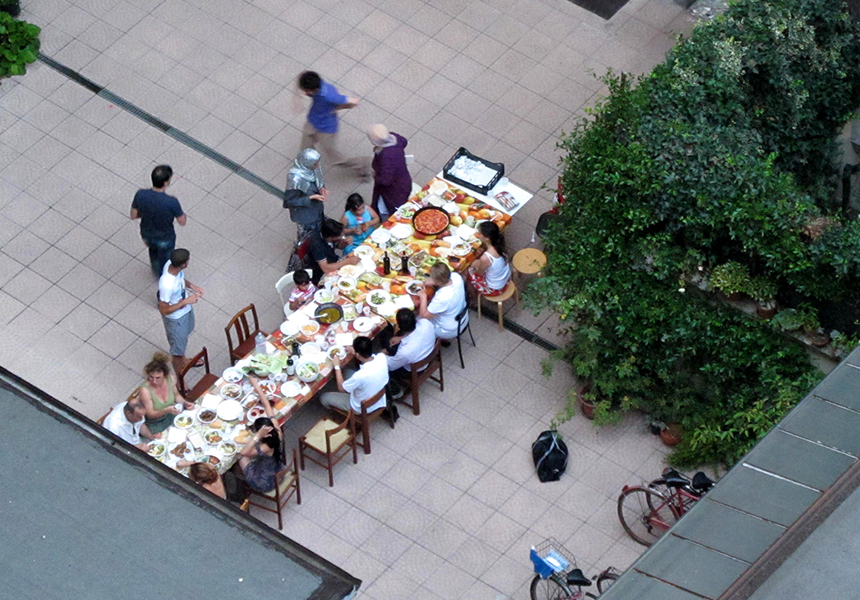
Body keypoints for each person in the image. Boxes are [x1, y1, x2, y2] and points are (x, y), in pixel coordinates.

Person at [297, 70, 369, 180]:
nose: (304, 93)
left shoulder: (328, 95)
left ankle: (360, 164)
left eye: (306, 91)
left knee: (334, 158)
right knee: (305, 148)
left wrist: (343, 105)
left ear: (313, 90)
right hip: (312, 121)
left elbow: (351, 101)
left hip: (326, 129)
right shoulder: (317, 84)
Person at [130, 165, 186, 277]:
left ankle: (156, 270)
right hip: (165, 236)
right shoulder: (171, 202)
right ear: (165, 182)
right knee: (166, 257)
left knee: (153, 251)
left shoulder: (140, 194)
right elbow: (182, 222)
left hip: (147, 233)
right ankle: (165, 275)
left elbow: (133, 215)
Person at [158, 248, 204, 375]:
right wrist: (186, 301)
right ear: (184, 264)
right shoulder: (167, 285)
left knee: (183, 340)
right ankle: (180, 381)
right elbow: (164, 310)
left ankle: (185, 360)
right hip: (176, 319)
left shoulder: (171, 265)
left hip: (185, 311)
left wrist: (191, 286)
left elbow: (181, 279)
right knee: (177, 352)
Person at [320, 336, 389, 414]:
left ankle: (337, 414)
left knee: (323, 397)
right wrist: (355, 353)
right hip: (379, 396)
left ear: (358, 355)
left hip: (360, 407)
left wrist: (337, 366)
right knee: (346, 372)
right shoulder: (382, 357)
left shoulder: (360, 376)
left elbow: (341, 388)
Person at [237, 377, 282, 493]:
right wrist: (256, 386)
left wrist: (257, 436)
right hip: (276, 470)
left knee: (240, 457)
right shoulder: (277, 430)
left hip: (264, 481)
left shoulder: (265, 447)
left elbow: (244, 453)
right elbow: (267, 406)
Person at [137, 352, 195, 434]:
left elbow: (176, 395)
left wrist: (185, 403)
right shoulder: (145, 391)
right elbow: (150, 414)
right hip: (157, 423)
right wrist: (165, 410)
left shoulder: (171, 379)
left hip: (171, 414)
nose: (154, 381)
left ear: (165, 375)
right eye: (151, 377)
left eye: (158, 378)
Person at [283, 148, 328, 245]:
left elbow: (318, 180)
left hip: (317, 210)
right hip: (306, 216)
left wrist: (321, 188)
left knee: (320, 229)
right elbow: (289, 201)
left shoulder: (312, 169)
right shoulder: (295, 179)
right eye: (315, 164)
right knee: (309, 239)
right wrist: (310, 198)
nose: (317, 166)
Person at [368, 124, 412, 217]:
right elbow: (404, 141)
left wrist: (375, 176)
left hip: (395, 190)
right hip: (404, 180)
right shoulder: (394, 138)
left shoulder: (387, 157)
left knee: (389, 208)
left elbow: (385, 180)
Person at [418, 263, 468, 342]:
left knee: (416, 319)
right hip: (463, 318)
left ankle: (428, 344)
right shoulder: (456, 277)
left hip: (448, 329)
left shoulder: (442, 297)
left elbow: (424, 317)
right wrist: (435, 282)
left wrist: (423, 297)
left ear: (437, 280)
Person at [465, 221, 512, 302]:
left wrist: (476, 263)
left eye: (479, 233)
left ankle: (474, 299)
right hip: (504, 279)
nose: (478, 235)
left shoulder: (486, 258)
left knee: (467, 272)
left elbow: (479, 274)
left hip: (495, 289)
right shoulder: (500, 246)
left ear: (486, 238)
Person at [383, 308, 437, 377]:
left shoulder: (405, 352)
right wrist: (401, 338)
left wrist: (383, 355)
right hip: (427, 355)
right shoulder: (426, 323)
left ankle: (393, 384)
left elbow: (391, 366)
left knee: (385, 338)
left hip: (412, 370)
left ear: (398, 326)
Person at [307, 218, 359, 284]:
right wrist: (347, 261)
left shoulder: (328, 233)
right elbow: (325, 268)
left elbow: (339, 246)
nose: (342, 236)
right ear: (331, 237)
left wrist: (345, 243)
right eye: (340, 235)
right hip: (321, 272)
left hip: (333, 259)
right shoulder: (317, 245)